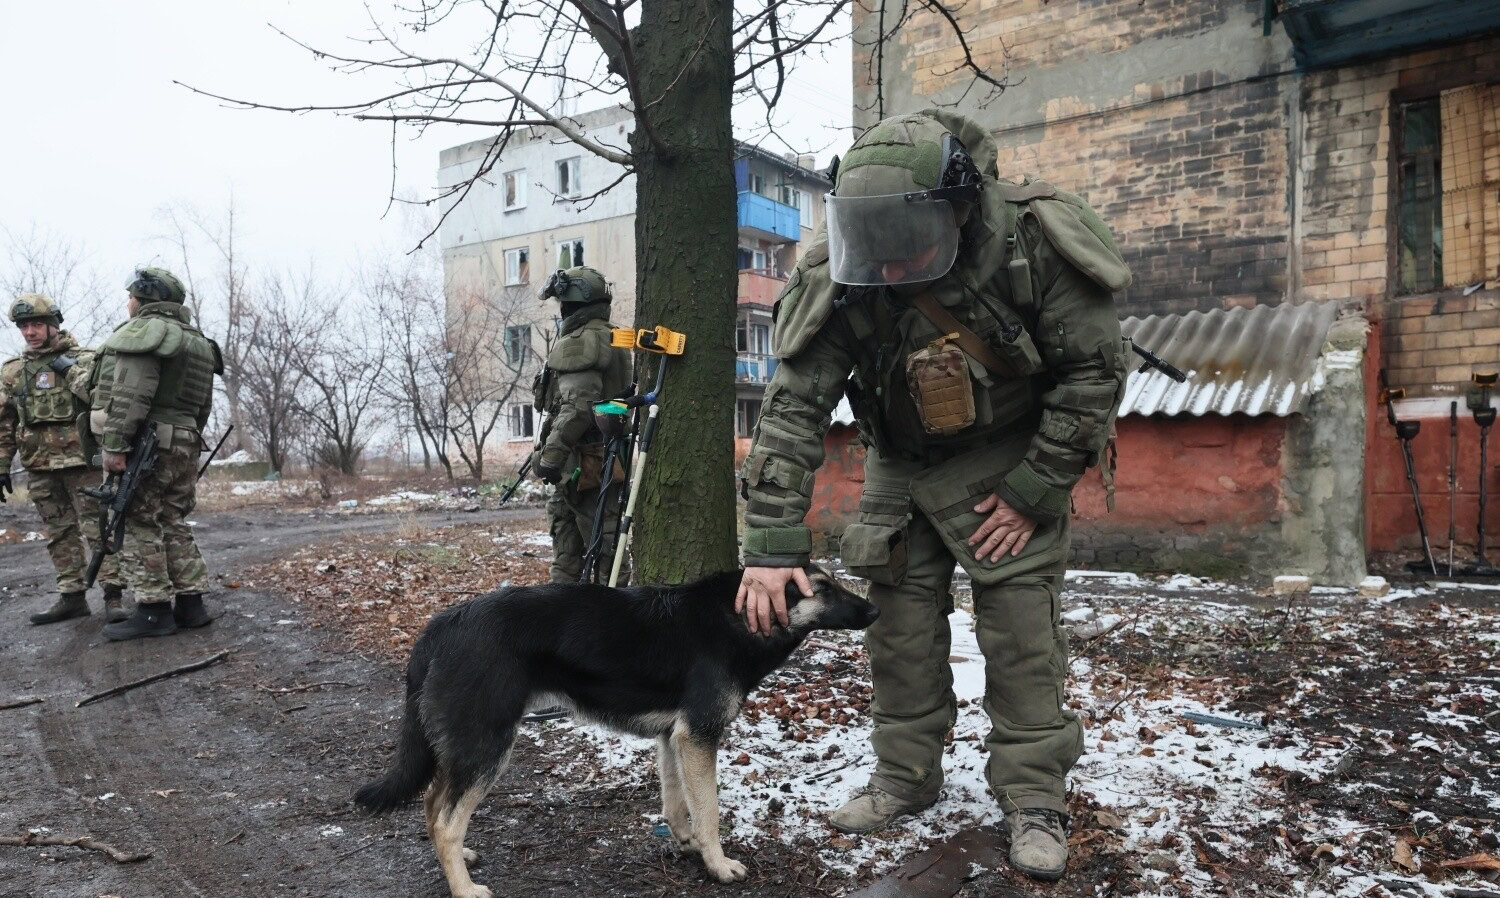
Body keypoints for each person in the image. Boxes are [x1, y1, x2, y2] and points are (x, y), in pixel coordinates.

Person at [734, 110, 1130, 882]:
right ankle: (905, 778)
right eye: (868, 243)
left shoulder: (1032, 240)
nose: (883, 266)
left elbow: (1092, 376)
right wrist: (771, 547)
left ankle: (1034, 795)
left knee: (1020, 636)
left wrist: (1032, 491)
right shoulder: (841, 265)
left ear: (957, 205)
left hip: (1007, 461)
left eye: (902, 241)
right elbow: (792, 408)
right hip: (901, 464)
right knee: (899, 632)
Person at [91, 267, 220, 640]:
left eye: (130, 296)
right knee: (173, 519)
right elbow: (203, 405)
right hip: (184, 438)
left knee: (139, 520)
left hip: (150, 442)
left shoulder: (146, 332)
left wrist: (115, 446)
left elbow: (132, 395)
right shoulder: (198, 341)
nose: (128, 303)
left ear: (144, 298)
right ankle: (191, 605)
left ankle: (153, 611)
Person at [0, 294, 128, 624]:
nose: (30, 332)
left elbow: (107, 404)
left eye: (37, 324)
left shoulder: (83, 360)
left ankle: (113, 595)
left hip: (82, 465)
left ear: (54, 325)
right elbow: (6, 423)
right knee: (59, 534)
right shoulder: (14, 372)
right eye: (24, 326)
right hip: (40, 468)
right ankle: (72, 596)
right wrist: (2, 465)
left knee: (99, 530)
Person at [531, 266, 633, 584]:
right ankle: (568, 625)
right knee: (579, 553)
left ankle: (608, 628)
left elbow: (578, 408)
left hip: (586, 466)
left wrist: (550, 457)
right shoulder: (611, 335)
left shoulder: (581, 341)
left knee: (601, 560)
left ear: (570, 304)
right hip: (599, 461)